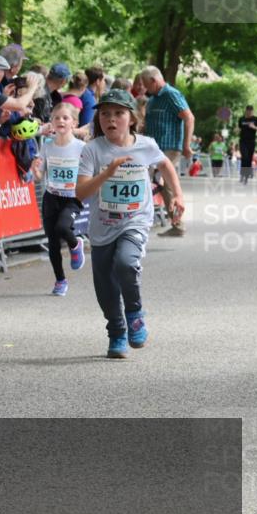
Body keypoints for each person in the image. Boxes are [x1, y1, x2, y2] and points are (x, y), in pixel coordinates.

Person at [76, 89, 184, 359]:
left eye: (118, 114)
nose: (111, 119)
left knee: (126, 262)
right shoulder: (92, 150)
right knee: (105, 286)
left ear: (132, 119)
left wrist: (178, 195)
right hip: (102, 227)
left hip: (135, 220)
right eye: (105, 114)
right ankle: (116, 332)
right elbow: (81, 192)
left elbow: (165, 165)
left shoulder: (145, 145)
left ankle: (134, 315)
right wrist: (108, 173)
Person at [32, 103, 86, 296]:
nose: (61, 121)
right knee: (53, 242)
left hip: (72, 198)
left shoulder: (81, 148)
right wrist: (36, 171)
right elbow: (40, 176)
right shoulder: (47, 146)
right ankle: (60, 280)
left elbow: (89, 174)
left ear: (74, 122)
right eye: (57, 118)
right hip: (51, 197)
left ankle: (75, 244)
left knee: (63, 228)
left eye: (65, 118)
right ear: (52, 123)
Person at [138, 66, 194, 236]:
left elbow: (189, 117)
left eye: (147, 85)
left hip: (170, 147)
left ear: (154, 81)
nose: (145, 89)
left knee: (161, 179)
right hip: (153, 148)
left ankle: (177, 223)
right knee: (160, 183)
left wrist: (186, 145)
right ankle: (175, 223)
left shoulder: (171, 94)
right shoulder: (153, 99)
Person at [237, 105, 257, 184]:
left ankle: (246, 176)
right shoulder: (241, 119)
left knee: (249, 159)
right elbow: (239, 128)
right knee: (244, 157)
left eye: (251, 111)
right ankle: (242, 175)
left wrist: (254, 127)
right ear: (246, 111)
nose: (249, 112)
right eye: (248, 110)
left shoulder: (256, 119)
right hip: (243, 141)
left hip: (251, 142)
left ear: (252, 111)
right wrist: (236, 130)